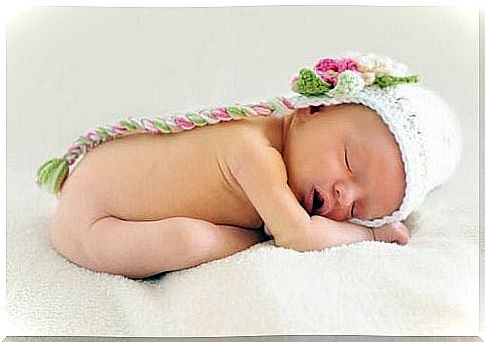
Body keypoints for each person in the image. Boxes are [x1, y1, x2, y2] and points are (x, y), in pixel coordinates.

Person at [36, 52, 462, 279]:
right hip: (91, 223)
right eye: (350, 162)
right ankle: (254, 234)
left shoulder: (279, 144)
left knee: (192, 235)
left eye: (358, 208)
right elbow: (296, 236)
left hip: (99, 196)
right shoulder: (254, 151)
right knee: (186, 241)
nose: (344, 195)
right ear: (313, 110)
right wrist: (370, 232)